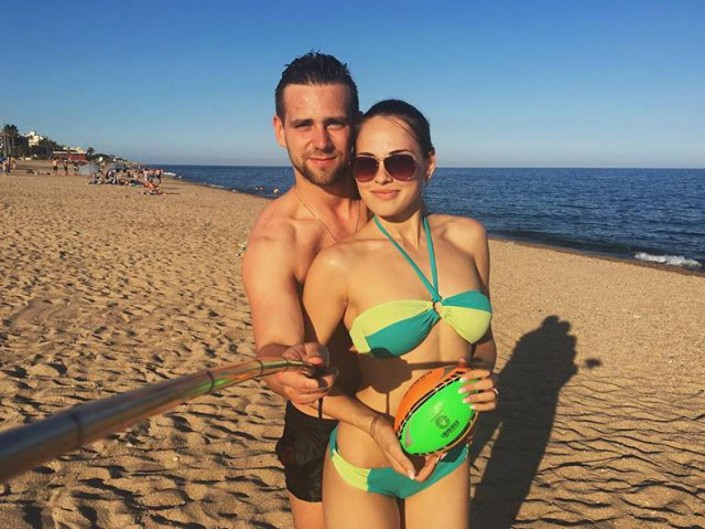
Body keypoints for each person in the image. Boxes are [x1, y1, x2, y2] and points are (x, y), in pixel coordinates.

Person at [301, 99, 498, 528]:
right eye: (366, 165)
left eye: (400, 163)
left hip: (447, 452)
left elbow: (483, 342)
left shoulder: (468, 238)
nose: (382, 176)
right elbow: (300, 385)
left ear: (429, 164)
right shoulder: (339, 264)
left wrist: (483, 376)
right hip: (366, 463)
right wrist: (375, 426)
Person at [242, 51, 365, 529]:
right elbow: (274, 342)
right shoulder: (277, 240)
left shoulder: (387, 199)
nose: (321, 141)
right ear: (280, 130)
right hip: (322, 419)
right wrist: (287, 370)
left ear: (356, 124)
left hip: (405, 405)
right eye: (304, 125)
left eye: (335, 123)